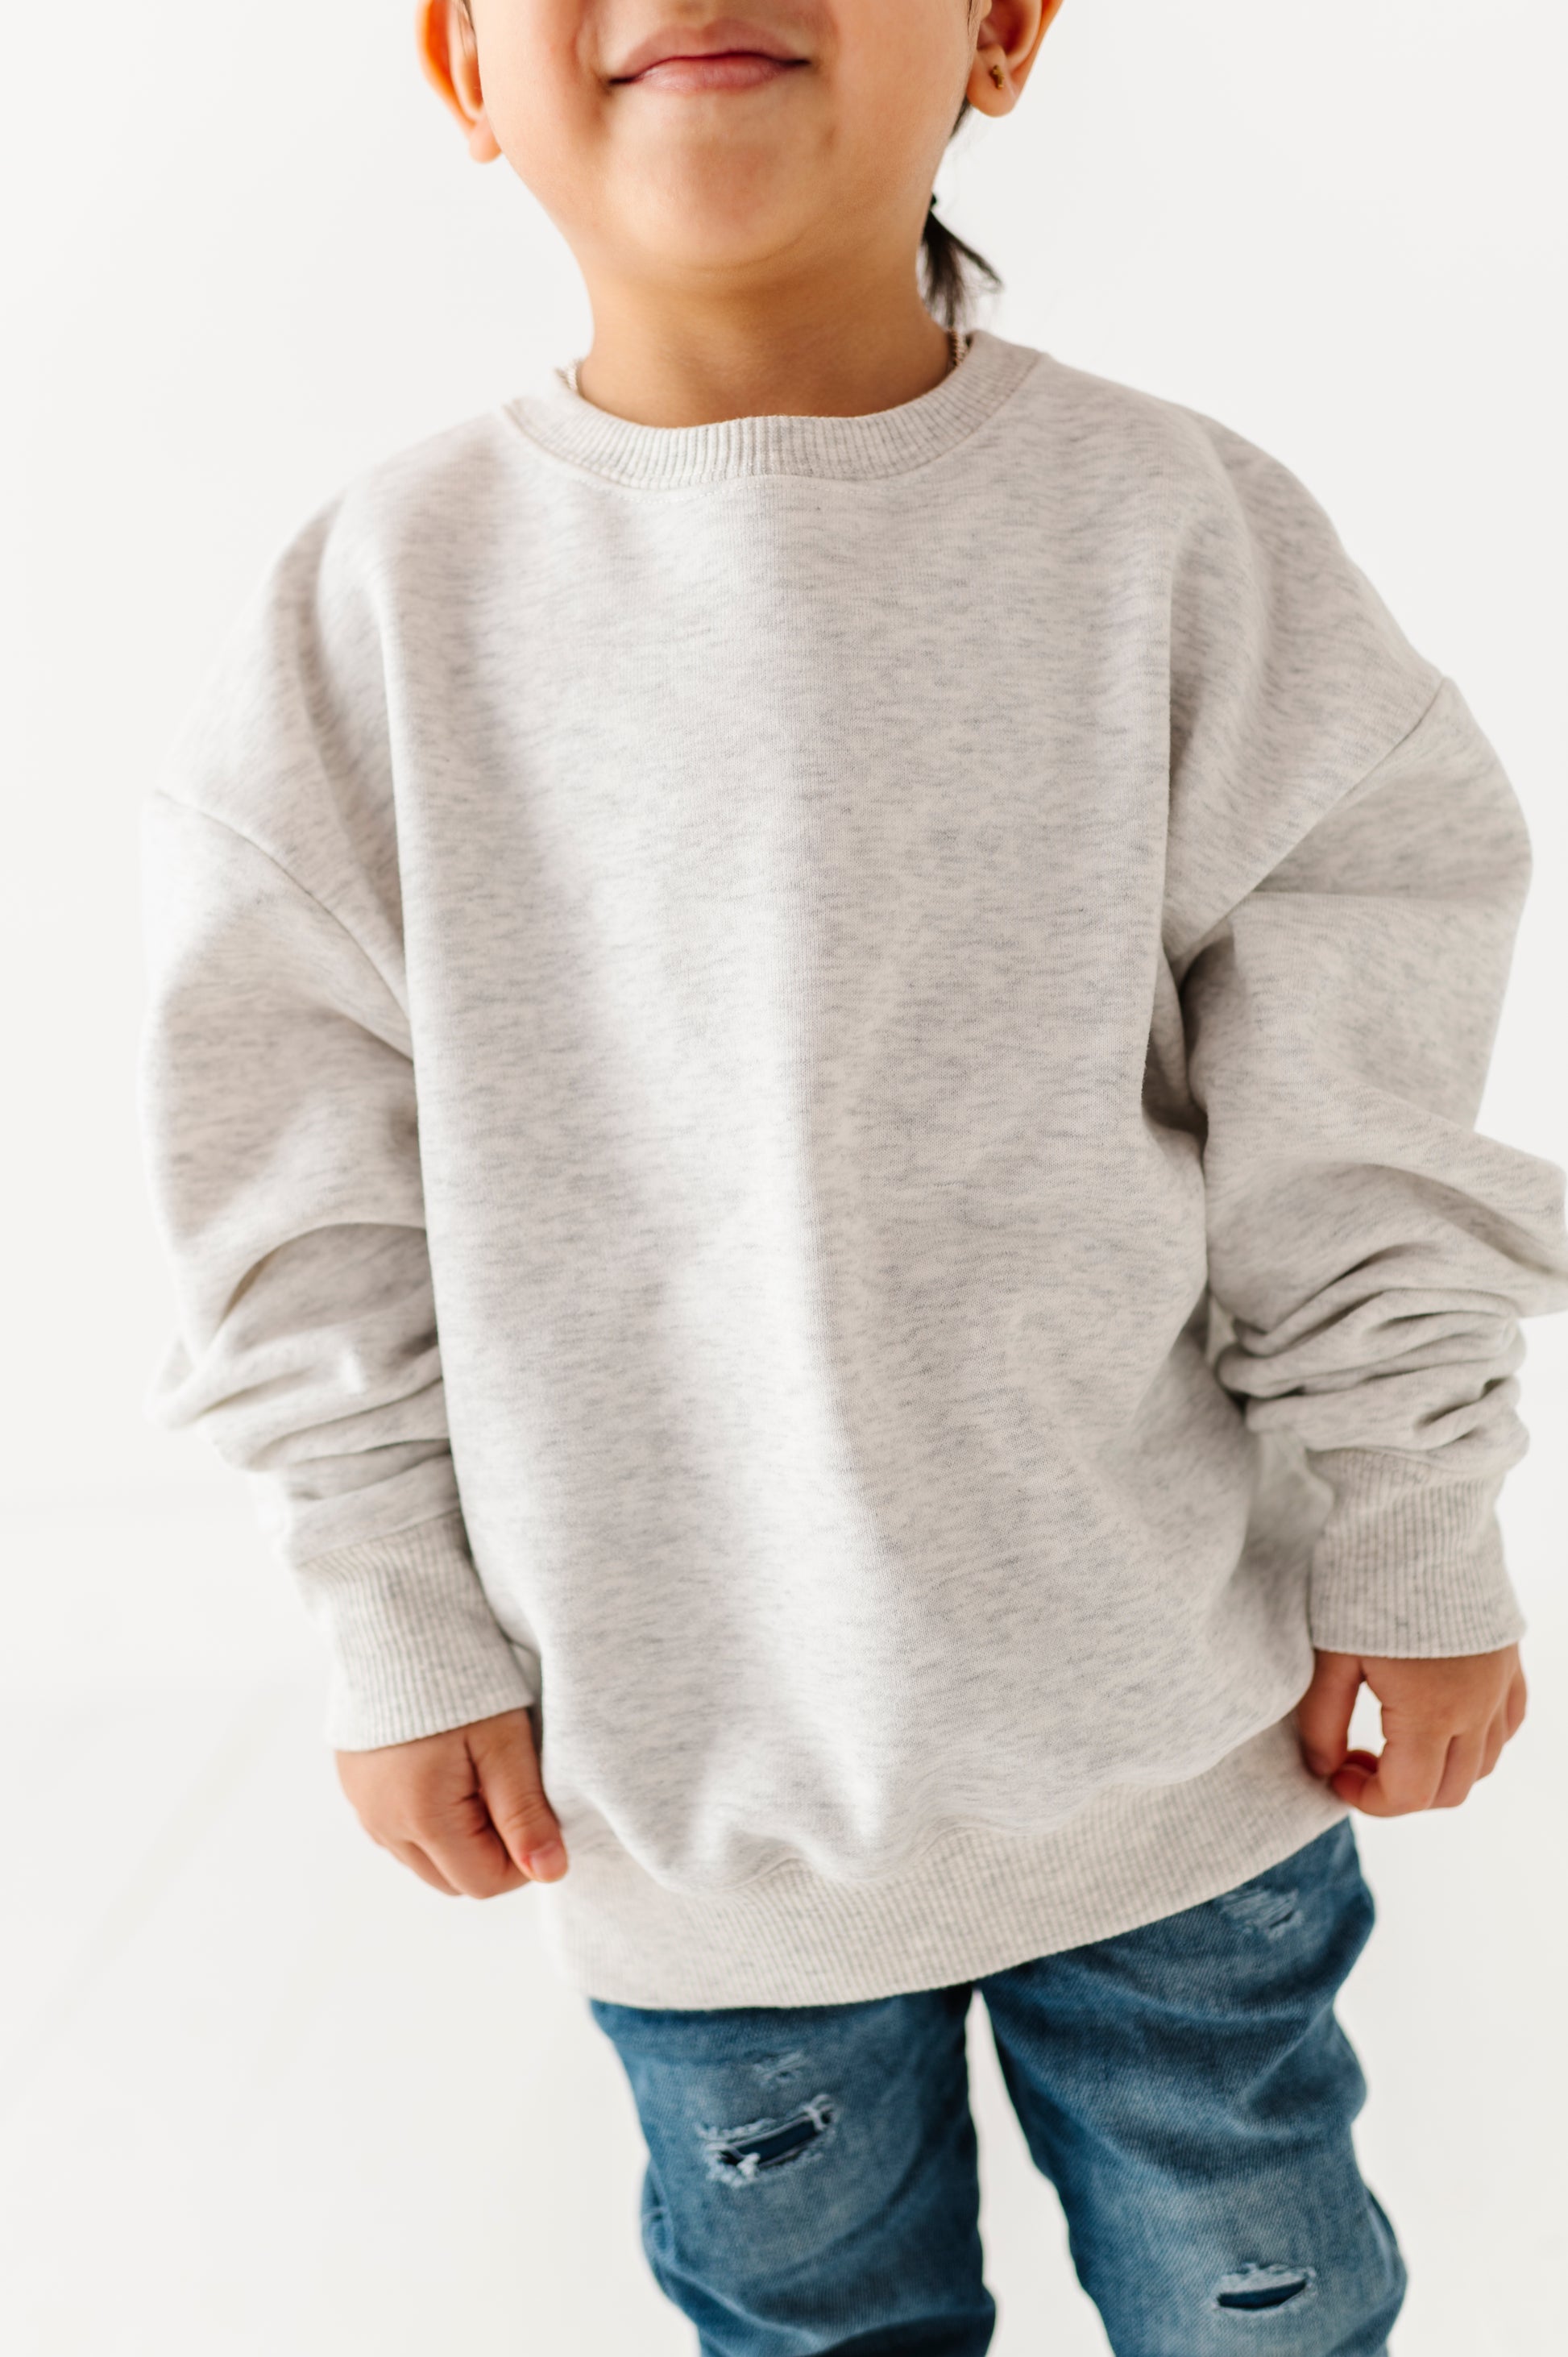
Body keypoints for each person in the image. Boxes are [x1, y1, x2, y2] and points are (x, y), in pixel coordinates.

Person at [135, 5, 1568, 2351]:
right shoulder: (366, 616)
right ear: (459, 64)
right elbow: (297, 1211)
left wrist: (1414, 1525)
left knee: (1268, 2319)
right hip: (684, 1798)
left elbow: (1357, 1101)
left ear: (1001, 28)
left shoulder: (1176, 539)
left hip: (1176, 1743)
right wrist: (392, 1611)